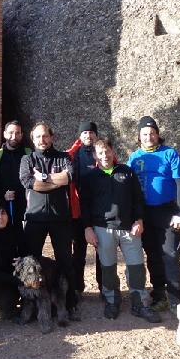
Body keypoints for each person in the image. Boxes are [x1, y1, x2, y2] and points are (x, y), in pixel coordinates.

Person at [81, 137, 161, 323]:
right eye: (100, 153)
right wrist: (87, 228)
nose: (104, 155)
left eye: (107, 151)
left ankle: (139, 302)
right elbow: (84, 205)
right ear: (95, 155)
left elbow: (137, 199)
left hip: (129, 227)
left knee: (136, 265)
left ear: (112, 151)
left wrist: (139, 220)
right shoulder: (89, 178)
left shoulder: (127, 172)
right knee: (107, 267)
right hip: (102, 228)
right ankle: (111, 300)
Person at [127, 116, 180, 312]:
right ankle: (159, 293)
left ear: (158, 134)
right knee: (152, 254)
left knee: (170, 254)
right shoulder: (134, 157)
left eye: (152, 133)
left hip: (167, 211)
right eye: (145, 134)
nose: (149, 137)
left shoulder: (169, 153)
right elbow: (129, 187)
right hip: (144, 213)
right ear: (139, 137)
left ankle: (176, 299)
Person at [19, 121, 81, 321]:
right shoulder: (27, 159)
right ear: (32, 139)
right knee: (30, 263)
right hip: (34, 219)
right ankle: (30, 303)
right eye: (38, 136)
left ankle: (69, 302)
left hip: (60, 218)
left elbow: (69, 177)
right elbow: (29, 183)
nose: (42, 140)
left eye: (45, 136)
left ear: (51, 137)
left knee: (65, 261)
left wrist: (43, 179)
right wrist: (54, 180)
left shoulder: (64, 157)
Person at [67, 121, 103, 296]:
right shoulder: (72, 155)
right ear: (80, 136)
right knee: (78, 252)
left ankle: (104, 287)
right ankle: (77, 288)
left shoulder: (103, 153)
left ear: (96, 135)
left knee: (101, 251)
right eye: (85, 133)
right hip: (77, 210)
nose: (88, 136)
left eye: (91, 133)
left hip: (100, 210)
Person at [0, 120, 30, 233]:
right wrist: (2, 195)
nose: (14, 136)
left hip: (26, 209)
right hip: (4, 209)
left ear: (21, 135)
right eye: (11, 133)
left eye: (17, 133)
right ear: (5, 134)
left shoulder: (29, 154)